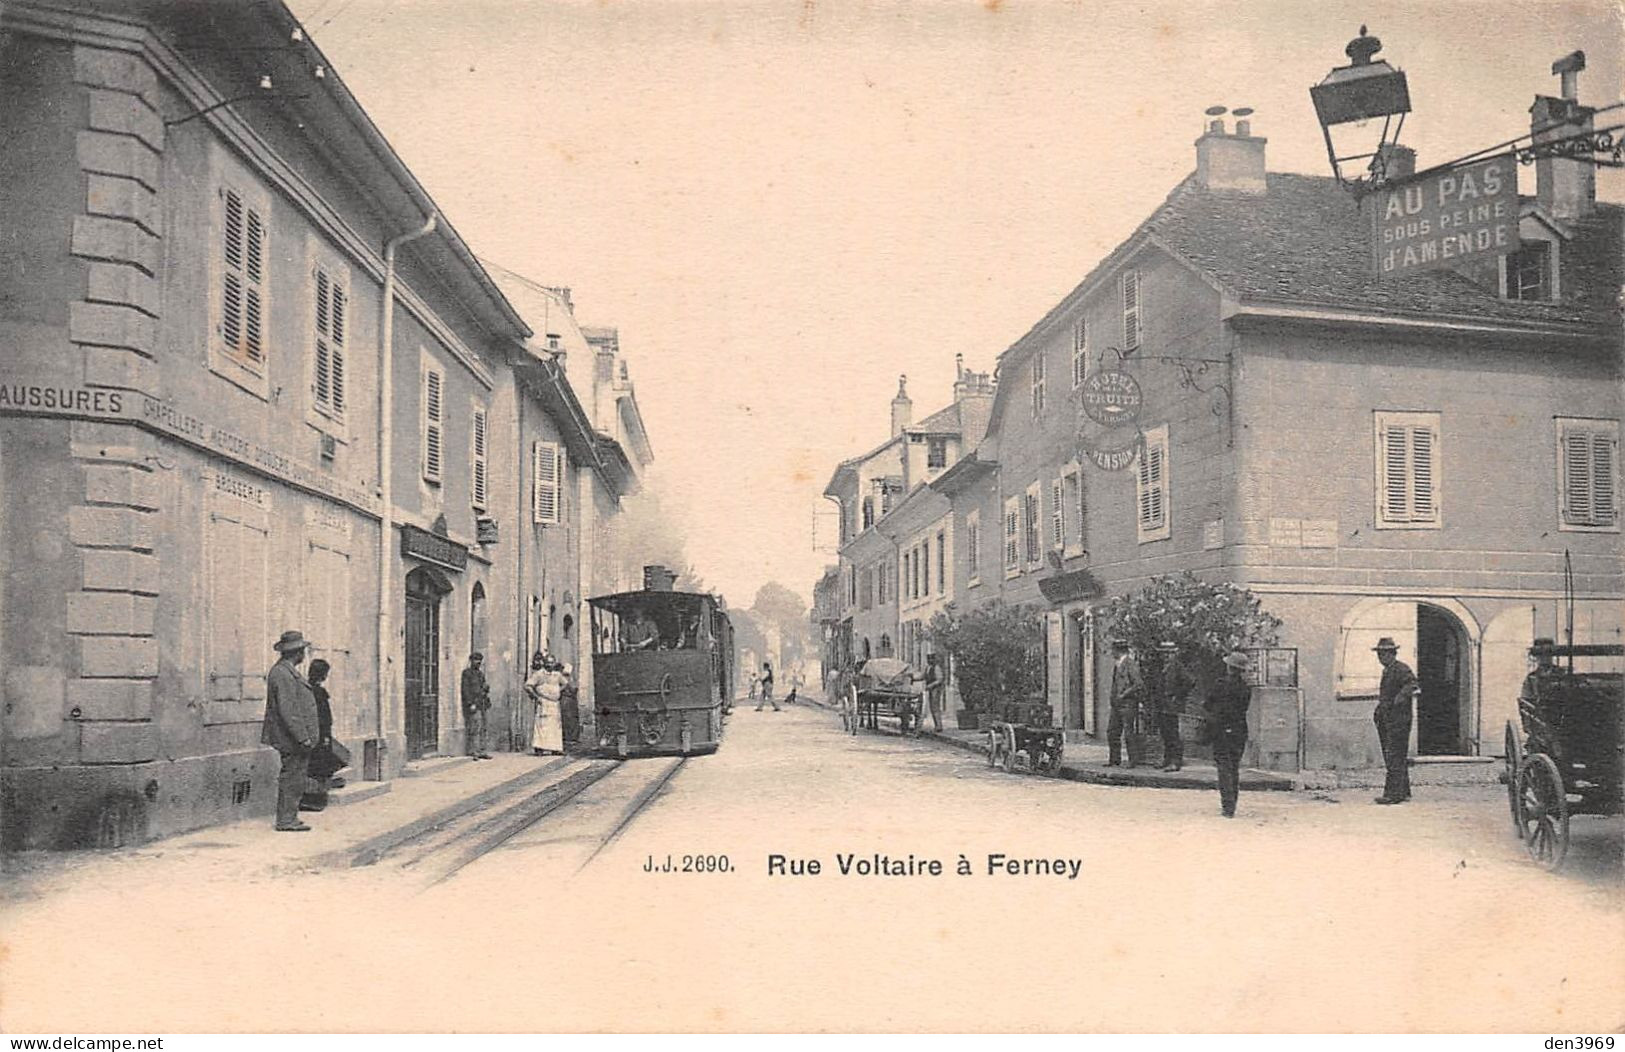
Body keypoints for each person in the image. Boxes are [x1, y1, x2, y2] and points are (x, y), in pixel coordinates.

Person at [261, 630, 320, 832]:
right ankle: (286, 820)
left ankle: (290, 816)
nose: (304, 654)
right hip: (290, 738)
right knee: (292, 777)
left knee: (296, 776)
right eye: (302, 650)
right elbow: (289, 711)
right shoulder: (282, 674)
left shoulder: (287, 671)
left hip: (292, 737)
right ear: (297, 652)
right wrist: (303, 737)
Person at [1206, 651, 1254, 818]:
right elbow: (1243, 709)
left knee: (1224, 768)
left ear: (1229, 667)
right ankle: (1232, 803)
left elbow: (1208, 704)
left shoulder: (1220, 685)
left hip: (1221, 730)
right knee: (1234, 767)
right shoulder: (1246, 689)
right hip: (1239, 731)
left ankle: (1228, 806)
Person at [1372, 636, 1419, 805]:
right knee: (1395, 755)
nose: (1380, 657)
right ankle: (1403, 791)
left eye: (1384, 654)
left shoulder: (1401, 669)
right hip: (1387, 719)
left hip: (1399, 720)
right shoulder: (1388, 670)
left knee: (1394, 755)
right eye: (1379, 654)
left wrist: (1399, 699)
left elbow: (1412, 684)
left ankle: (1392, 794)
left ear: (1392, 654)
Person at [1106, 638, 1147, 768]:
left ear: (1118, 650)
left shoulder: (1130, 664)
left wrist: (1124, 694)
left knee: (1128, 732)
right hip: (1117, 704)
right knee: (1112, 731)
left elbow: (1138, 684)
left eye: (1113, 650)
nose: (1112, 653)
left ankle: (1132, 760)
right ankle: (1114, 759)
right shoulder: (1117, 664)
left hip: (1128, 704)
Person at [1154, 641, 1193, 772]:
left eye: (1169, 653)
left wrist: (1178, 695)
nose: (1166, 656)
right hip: (1163, 705)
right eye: (1164, 653)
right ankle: (1167, 759)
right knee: (1165, 733)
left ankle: (1176, 761)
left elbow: (1189, 682)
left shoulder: (1178, 666)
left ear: (1174, 654)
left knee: (1173, 734)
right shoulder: (1162, 667)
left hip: (1173, 705)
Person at [527, 653, 565, 755]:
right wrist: (536, 696)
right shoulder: (539, 674)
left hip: (554, 703)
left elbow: (565, 683)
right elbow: (528, 686)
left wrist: (558, 691)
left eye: (552, 663)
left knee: (555, 726)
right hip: (544, 702)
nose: (550, 665)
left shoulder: (557, 675)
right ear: (544, 663)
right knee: (542, 725)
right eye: (548, 662)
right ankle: (539, 748)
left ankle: (555, 748)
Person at [461, 653, 492, 760]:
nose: (478, 662)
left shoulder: (480, 674)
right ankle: (474, 751)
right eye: (476, 660)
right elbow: (465, 690)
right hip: (474, 704)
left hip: (482, 703)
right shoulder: (467, 673)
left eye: (479, 660)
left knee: (484, 727)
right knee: (475, 728)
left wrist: (486, 688)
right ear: (471, 661)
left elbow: (483, 688)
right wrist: (470, 704)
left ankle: (482, 751)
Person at [921, 652, 946, 734]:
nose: (930, 660)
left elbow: (939, 679)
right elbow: (923, 676)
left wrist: (931, 685)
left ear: (934, 659)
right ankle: (936, 725)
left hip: (936, 689)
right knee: (932, 707)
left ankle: (939, 726)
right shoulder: (928, 667)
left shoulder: (937, 668)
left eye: (932, 659)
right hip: (930, 689)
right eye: (929, 659)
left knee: (935, 707)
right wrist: (913, 678)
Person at [559, 661, 580, 750]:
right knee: (567, 718)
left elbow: (574, 689)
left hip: (570, 700)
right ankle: (568, 737)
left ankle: (571, 737)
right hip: (566, 700)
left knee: (571, 718)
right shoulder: (564, 680)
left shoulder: (570, 680)